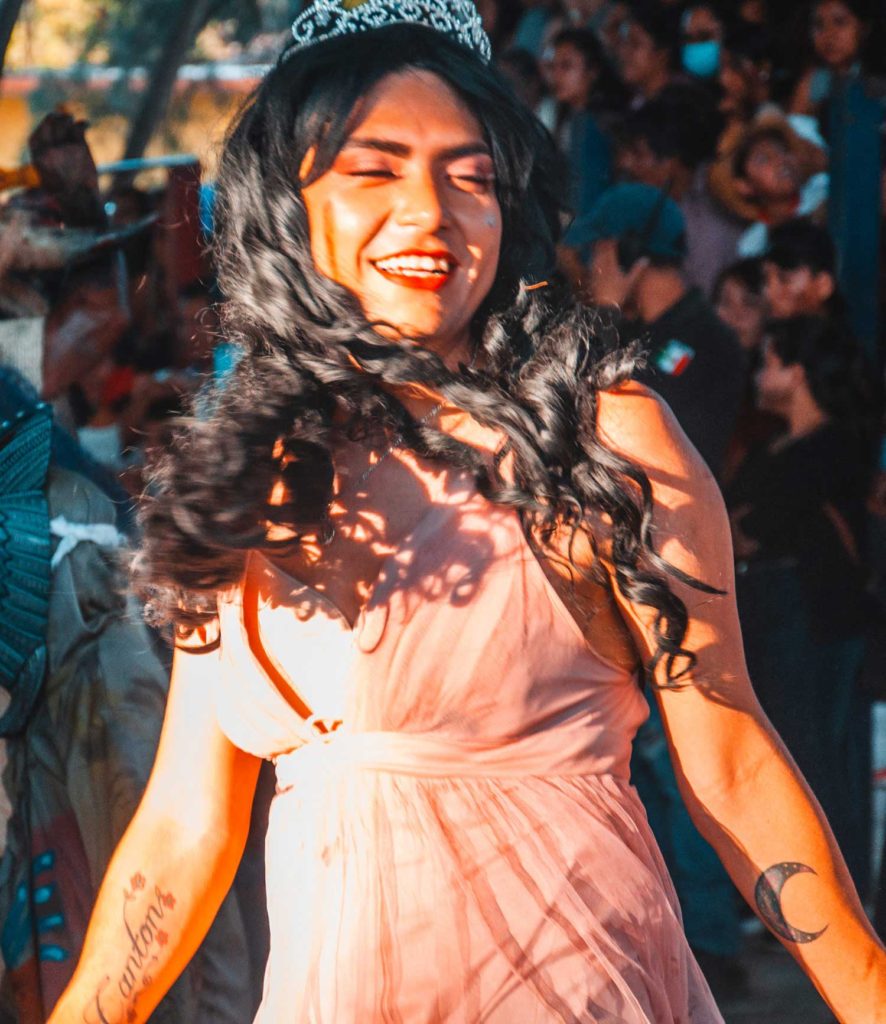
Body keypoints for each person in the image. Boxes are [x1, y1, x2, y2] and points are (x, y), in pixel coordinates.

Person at [50, 3, 886, 1023]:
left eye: (471, 175)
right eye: (375, 168)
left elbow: (733, 764)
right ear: (290, 200)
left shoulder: (604, 436)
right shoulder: (248, 464)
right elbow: (184, 826)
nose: (431, 212)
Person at [726, 315, 877, 895]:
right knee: (794, 759)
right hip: (777, 618)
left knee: (815, 762)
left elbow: (749, 526)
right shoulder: (772, 446)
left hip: (813, 621)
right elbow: (737, 520)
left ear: (799, 372)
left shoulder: (834, 445)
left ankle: (833, 899)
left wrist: (746, 527)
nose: (759, 373)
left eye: (770, 360)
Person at [566, 183, 745, 480]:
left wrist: (605, 312)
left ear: (627, 252)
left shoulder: (709, 341)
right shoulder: (633, 332)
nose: (592, 266)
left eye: (596, 251)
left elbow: (614, 412)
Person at [614, 82, 745, 296]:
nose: (625, 163)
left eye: (638, 154)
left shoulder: (706, 231)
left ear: (670, 164)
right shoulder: (653, 204)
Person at [548, 28, 626, 218]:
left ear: (592, 71)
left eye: (566, 66)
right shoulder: (570, 119)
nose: (556, 75)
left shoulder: (594, 124)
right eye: (553, 67)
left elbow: (587, 190)